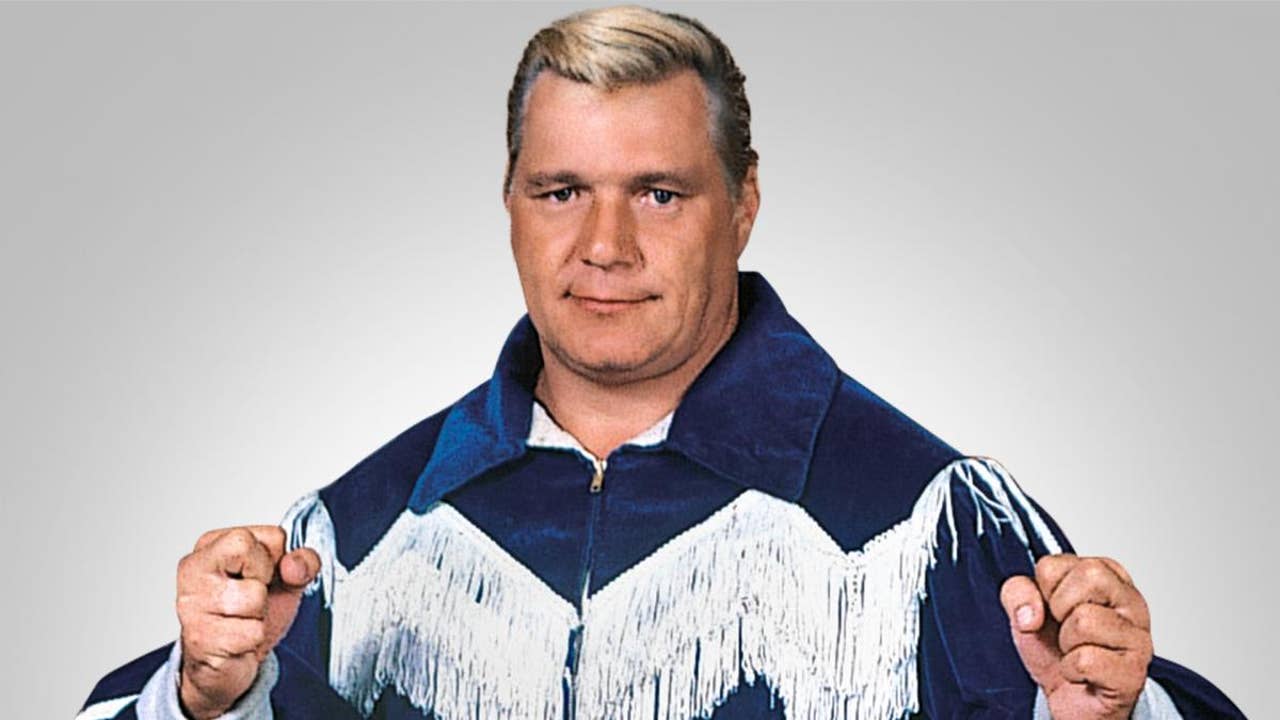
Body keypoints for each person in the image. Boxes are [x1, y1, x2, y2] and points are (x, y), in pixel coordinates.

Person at [78, 6, 1243, 720]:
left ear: (741, 205)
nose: (604, 246)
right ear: (508, 204)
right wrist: (204, 701)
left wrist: (1109, 716)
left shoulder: (924, 524)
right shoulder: (358, 537)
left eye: (657, 193)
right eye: (560, 191)